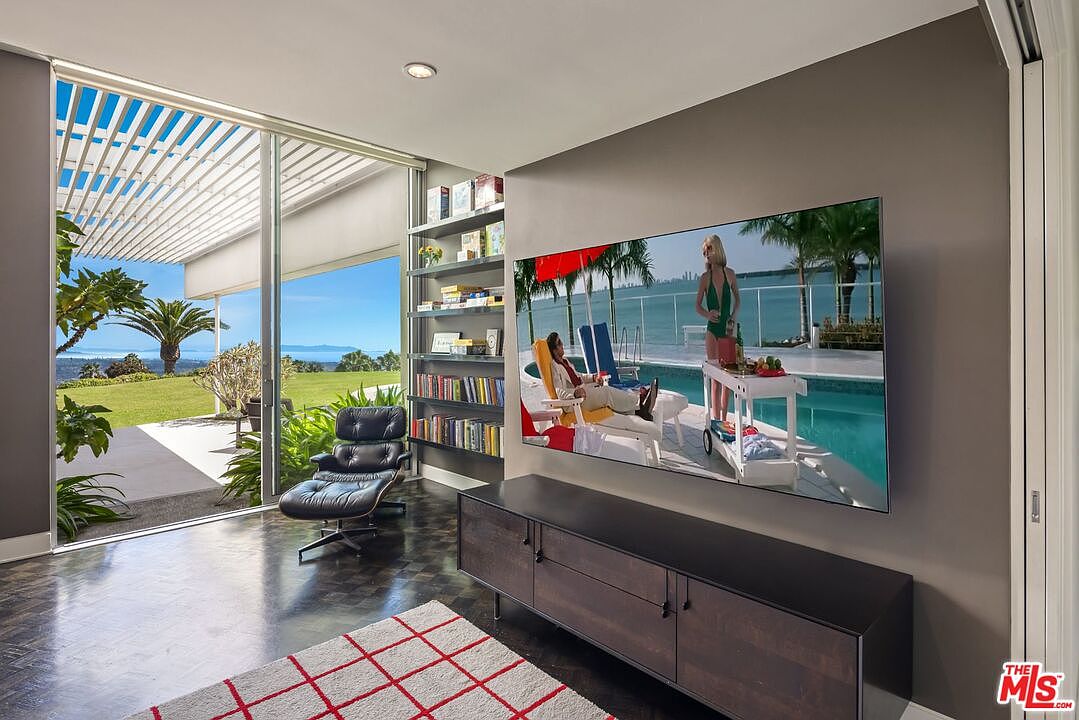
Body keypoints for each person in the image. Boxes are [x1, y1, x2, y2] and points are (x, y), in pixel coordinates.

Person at [546, 332, 659, 421]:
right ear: (554, 350)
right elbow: (559, 390)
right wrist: (574, 394)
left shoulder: (565, 361)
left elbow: (579, 376)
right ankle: (640, 402)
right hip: (575, 402)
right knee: (606, 392)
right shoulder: (555, 366)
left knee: (608, 394)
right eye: (559, 343)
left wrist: (594, 377)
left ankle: (638, 411)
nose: (562, 345)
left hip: (584, 392)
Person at [694, 233, 741, 422]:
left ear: (717, 249)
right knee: (716, 379)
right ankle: (716, 422)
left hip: (727, 331)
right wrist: (708, 314)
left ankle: (724, 419)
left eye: (709, 249)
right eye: (704, 251)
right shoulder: (705, 278)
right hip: (712, 331)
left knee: (727, 378)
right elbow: (697, 306)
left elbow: (738, 300)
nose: (706, 253)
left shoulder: (730, 274)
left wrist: (733, 316)